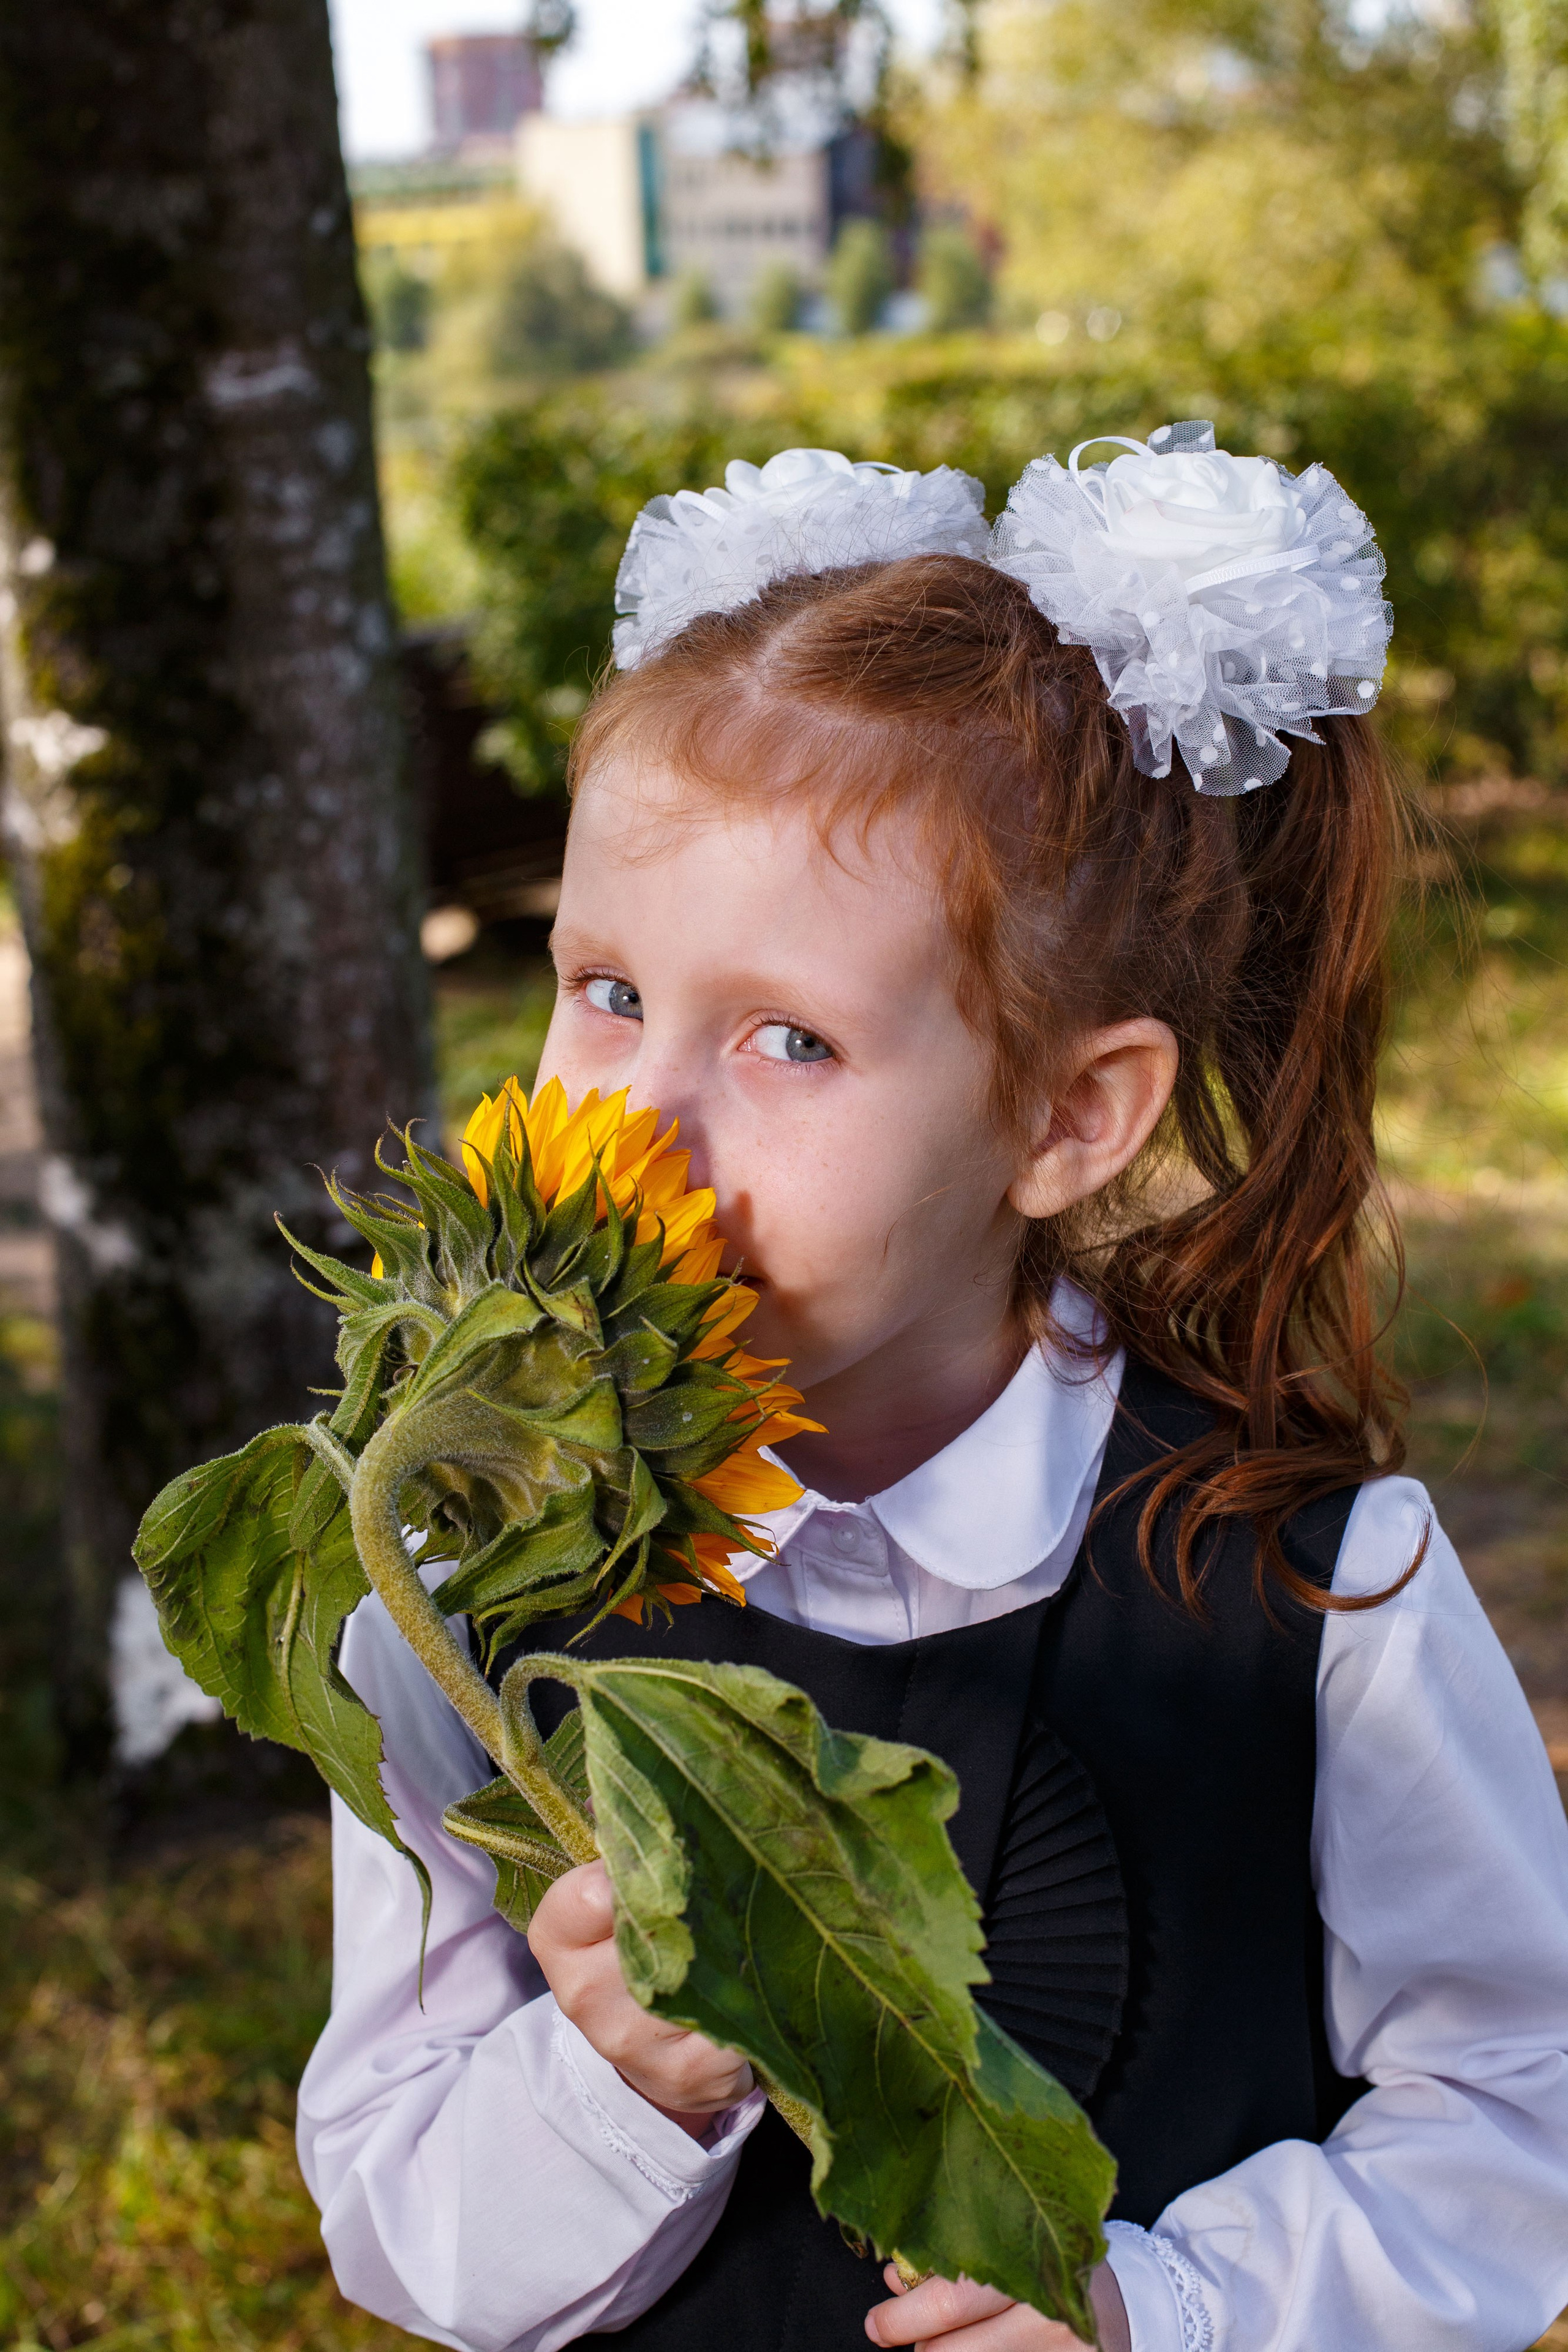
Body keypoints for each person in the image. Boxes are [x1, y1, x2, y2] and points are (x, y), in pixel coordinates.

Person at [297, 436, 1568, 2352]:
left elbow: (1520, 2103)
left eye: (790, 1040)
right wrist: (612, 2081)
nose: (637, 1120)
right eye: (607, 991)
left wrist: (1170, 2311)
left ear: (1068, 1115)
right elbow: (404, 2232)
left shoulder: (1317, 1591)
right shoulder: (456, 1591)